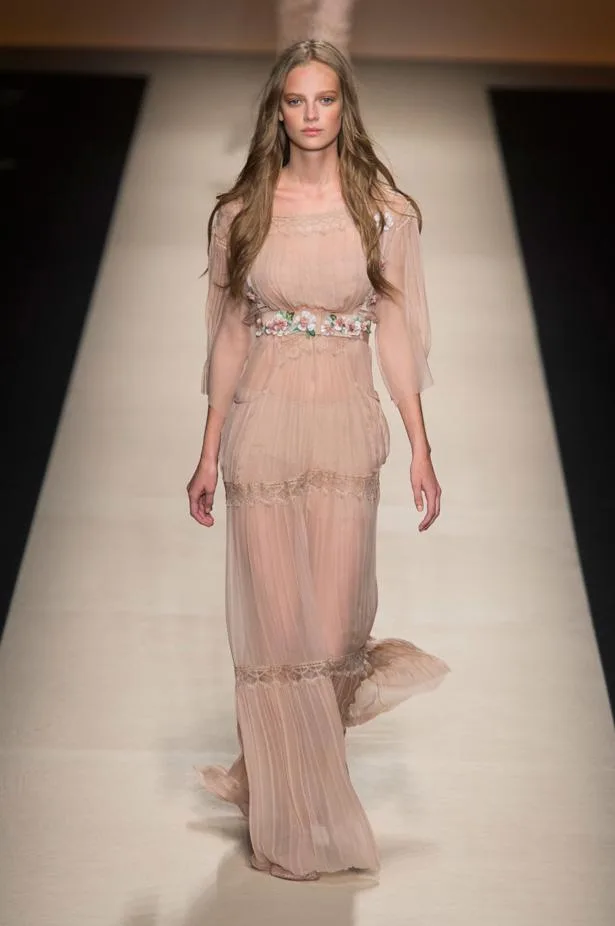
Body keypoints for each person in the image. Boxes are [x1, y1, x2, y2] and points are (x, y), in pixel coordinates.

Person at [187, 39, 450, 882]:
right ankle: (297, 824)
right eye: (295, 101)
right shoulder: (242, 214)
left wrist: (421, 445)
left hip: (343, 429)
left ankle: (267, 775)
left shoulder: (384, 212)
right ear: (276, 112)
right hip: (261, 433)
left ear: (345, 108)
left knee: (334, 632)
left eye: (324, 100)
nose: (310, 115)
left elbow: (400, 336)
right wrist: (205, 448)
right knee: (278, 635)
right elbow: (230, 333)